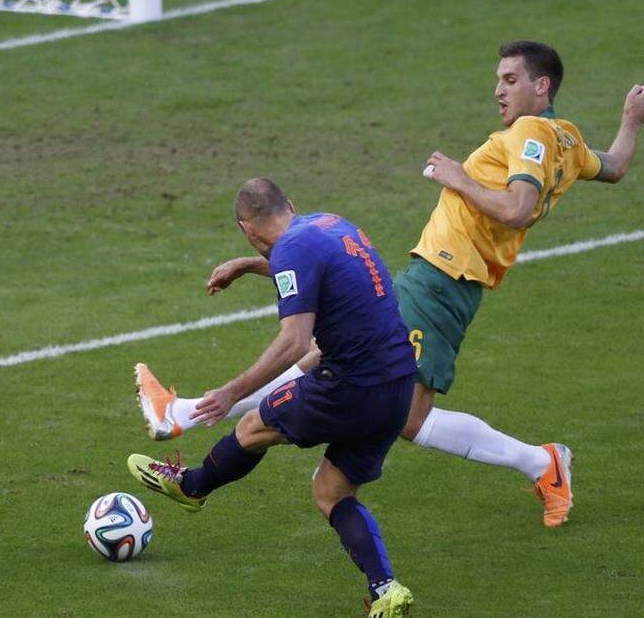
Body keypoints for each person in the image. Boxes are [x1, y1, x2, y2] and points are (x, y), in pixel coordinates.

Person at [138, 41, 644, 528]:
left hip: (444, 282)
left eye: (510, 80)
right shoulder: (568, 140)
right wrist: (630, 119)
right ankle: (183, 414)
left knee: (409, 418)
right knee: (324, 353)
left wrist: (457, 177)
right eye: (498, 79)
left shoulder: (530, 133)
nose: (499, 90)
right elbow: (616, 166)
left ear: (542, 85)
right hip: (436, 278)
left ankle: (542, 463)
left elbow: (518, 209)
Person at [128, 179, 417, 618]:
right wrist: (247, 266)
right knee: (331, 492)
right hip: (398, 383)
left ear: (247, 228)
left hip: (349, 386)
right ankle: (386, 589)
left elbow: (295, 343)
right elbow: (312, 269)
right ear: (291, 206)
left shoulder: (293, 250)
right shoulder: (328, 225)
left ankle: (192, 486)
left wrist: (230, 391)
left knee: (251, 424)